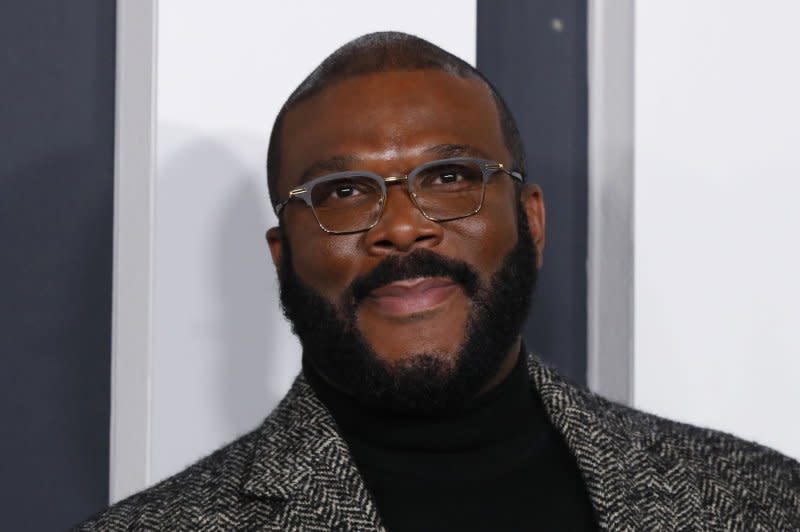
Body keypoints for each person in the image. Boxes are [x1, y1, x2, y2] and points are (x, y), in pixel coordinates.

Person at [78, 32, 800, 531]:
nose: (401, 227)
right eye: (343, 193)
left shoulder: (760, 502)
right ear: (281, 254)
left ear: (532, 221)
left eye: (450, 178)